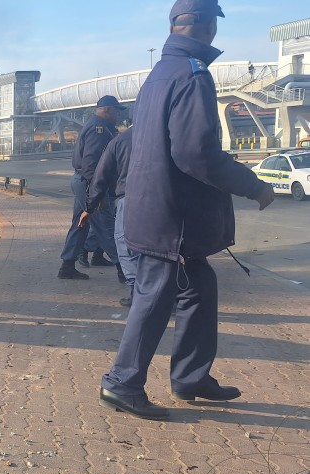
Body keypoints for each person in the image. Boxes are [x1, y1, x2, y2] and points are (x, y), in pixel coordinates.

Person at [99, 0, 275, 420]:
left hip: (153, 206)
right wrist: (253, 186)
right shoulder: (193, 76)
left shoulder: (159, 75)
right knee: (155, 295)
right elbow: (196, 153)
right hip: (172, 217)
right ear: (206, 27)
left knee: (199, 288)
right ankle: (122, 383)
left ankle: (190, 377)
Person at [57, 95, 125, 280]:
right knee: (107, 226)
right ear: (107, 110)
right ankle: (125, 271)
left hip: (83, 182)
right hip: (90, 184)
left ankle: (67, 266)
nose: (118, 115)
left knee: (80, 224)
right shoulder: (99, 129)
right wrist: (98, 194)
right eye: (117, 111)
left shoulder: (100, 126)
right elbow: (91, 164)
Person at [80, 127, 136, 304]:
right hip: (164, 200)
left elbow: (101, 174)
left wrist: (90, 206)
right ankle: (169, 296)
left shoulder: (120, 141)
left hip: (129, 198)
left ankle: (137, 293)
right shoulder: (168, 134)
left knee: (126, 246)